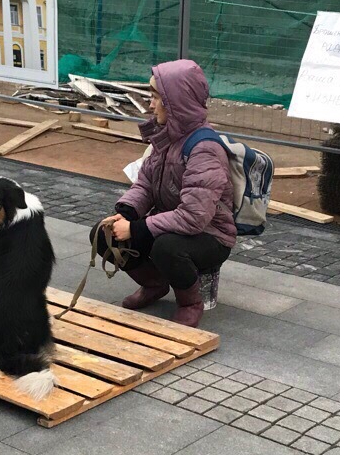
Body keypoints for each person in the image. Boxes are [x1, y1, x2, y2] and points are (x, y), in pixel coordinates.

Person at [92, 59, 236, 328]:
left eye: (156, 96)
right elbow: (145, 183)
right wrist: (125, 213)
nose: (150, 103)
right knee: (103, 233)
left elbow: (194, 217)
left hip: (211, 235)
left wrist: (136, 228)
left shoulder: (205, 148)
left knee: (166, 248)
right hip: (171, 223)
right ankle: (154, 284)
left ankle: (190, 302)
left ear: (176, 101)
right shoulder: (166, 136)